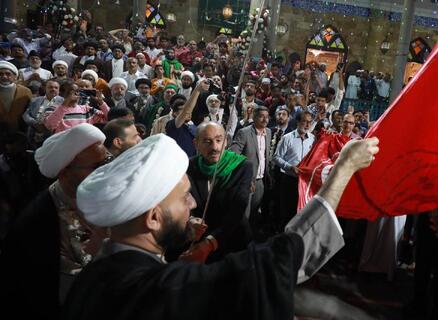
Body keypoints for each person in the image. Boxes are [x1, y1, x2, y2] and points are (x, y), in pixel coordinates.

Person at [63, 133, 379, 320]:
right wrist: (343, 169)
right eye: (184, 197)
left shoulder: (96, 274)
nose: (192, 204)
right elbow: (275, 266)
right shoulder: (162, 290)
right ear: (153, 218)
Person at [0, 124, 110, 319]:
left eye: (107, 161)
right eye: (97, 166)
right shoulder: (38, 222)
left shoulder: (100, 195)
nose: (106, 171)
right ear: (65, 173)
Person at [186, 122, 253, 260]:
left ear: (226, 141)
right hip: (198, 241)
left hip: (232, 240)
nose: (215, 147)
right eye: (207, 141)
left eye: (219, 140)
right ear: (196, 143)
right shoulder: (189, 166)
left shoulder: (242, 166)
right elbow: (183, 200)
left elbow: (237, 210)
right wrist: (191, 220)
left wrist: (211, 242)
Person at [230, 106, 272, 226]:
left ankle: (252, 235)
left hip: (260, 180)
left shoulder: (268, 132)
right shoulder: (244, 132)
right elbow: (234, 155)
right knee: (244, 215)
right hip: (246, 181)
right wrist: (245, 178)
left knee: (254, 213)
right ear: (254, 117)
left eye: (267, 117)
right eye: (261, 116)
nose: (265, 120)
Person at [273, 111, 316, 226]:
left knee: (302, 212)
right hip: (289, 180)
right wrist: (290, 167)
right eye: (304, 121)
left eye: (309, 122)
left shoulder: (313, 139)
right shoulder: (287, 138)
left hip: (306, 183)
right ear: (298, 122)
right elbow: (276, 157)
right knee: (287, 211)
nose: (307, 125)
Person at [44, 80, 109, 133]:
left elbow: (109, 117)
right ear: (62, 94)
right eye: (70, 92)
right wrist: (65, 104)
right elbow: (49, 126)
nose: (75, 94)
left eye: (77, 91)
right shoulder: (52, 108)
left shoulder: (86, 109)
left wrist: (101, 103)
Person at [22, 78, 63, 146]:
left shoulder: (63, 102)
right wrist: (35, 123)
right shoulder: (35, 100)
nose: (53, 89)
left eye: (56, 88)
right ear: (45, 88)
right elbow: (26, 115)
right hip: (34, 134)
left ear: (59, 90)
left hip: (54, 137)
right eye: (50, 87)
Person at [0, 61, 32, 133]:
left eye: (8, 74)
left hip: (20, 133)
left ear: (15, 76)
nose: (4, 76)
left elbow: (30, 113)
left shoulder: (25, 91)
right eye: (0, 74)